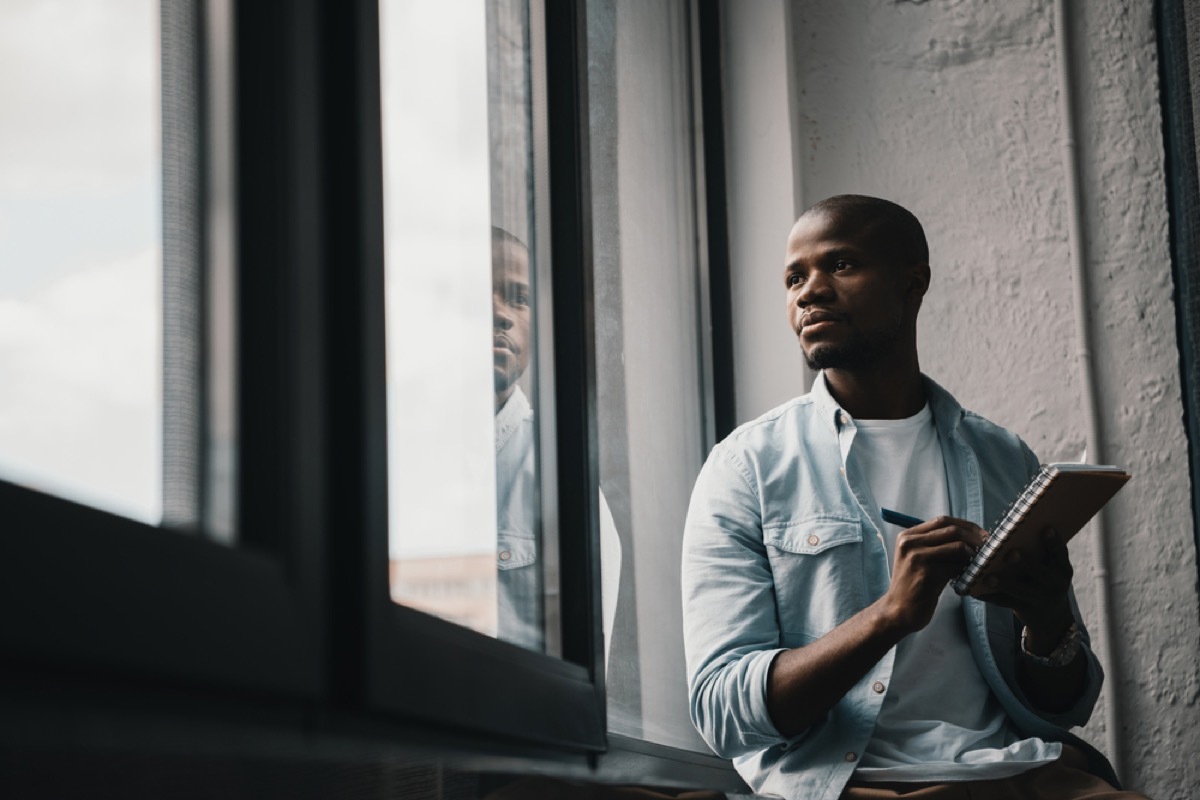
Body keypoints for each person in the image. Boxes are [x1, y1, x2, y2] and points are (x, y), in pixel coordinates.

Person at [681, 195, 1149, 799]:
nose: (810, 291)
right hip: (849, 785)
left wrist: (1046, 617)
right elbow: (721, 710)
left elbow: (1067, 707)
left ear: (913, 284)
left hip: (1015, 773)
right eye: (795, 277)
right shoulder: (745, 466)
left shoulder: (1006, 459)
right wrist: (890, 616)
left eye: (841, 265)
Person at [492, 227, 622, 658]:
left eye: (518, 297)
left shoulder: (562, 479)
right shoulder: (390, 456)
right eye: (476, 291)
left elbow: (578, 675)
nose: (500, 314)